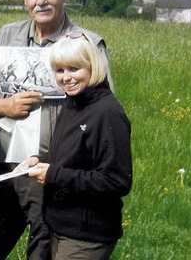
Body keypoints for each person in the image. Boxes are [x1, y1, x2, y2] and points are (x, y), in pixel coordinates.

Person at [0, 0, 113, 260]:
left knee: (44, 241)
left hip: (55, 170)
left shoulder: (87, 44)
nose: (41, 1)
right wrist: (4, 106)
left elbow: (103, 111)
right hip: (2, 164)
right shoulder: (6, 36)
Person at [25, 33, 132, 259]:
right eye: (60, 71)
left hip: (87, 235)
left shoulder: (107, 114)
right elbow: (71, 156)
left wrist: (53, 175)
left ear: (93, 67)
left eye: (74, 69)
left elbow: (117, 180)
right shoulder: (73, 102)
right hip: (60, 226)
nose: (66, 78)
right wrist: (40, 160)